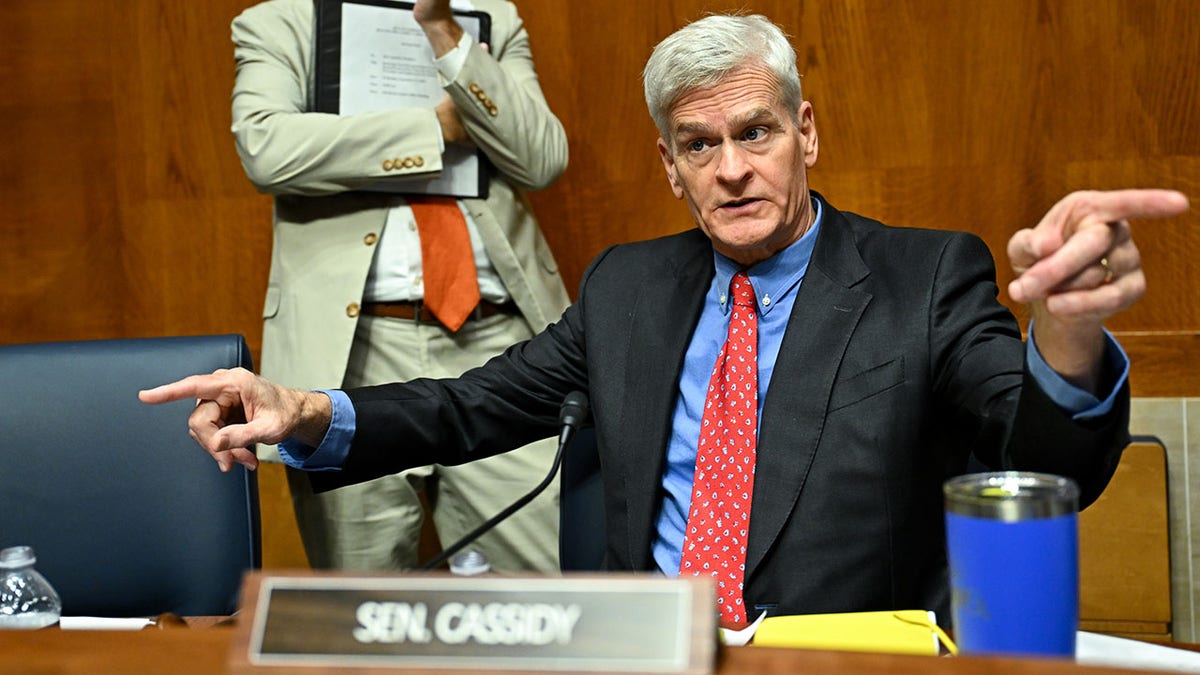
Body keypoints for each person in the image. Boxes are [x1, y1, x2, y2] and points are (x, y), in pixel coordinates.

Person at [146, 14, 1189, 622]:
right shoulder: (627, 289)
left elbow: (1043, 460)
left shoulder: (924, 276)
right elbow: (470, 407)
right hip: (645, 653)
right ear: (669, 166)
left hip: (835, 658)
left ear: (806, 133)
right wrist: (305, 410)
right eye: (699, 144)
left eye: (755, 132)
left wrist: (1067, 333)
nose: (731, 169)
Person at [229, 0, 571, 573]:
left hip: (499, 340)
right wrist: (435, 129)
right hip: (353, 348)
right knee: (363, 600)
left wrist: (442, 28)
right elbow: (267, 149)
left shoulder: (492, 17)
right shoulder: (282, 21)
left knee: (544, 589)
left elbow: (542, 159)